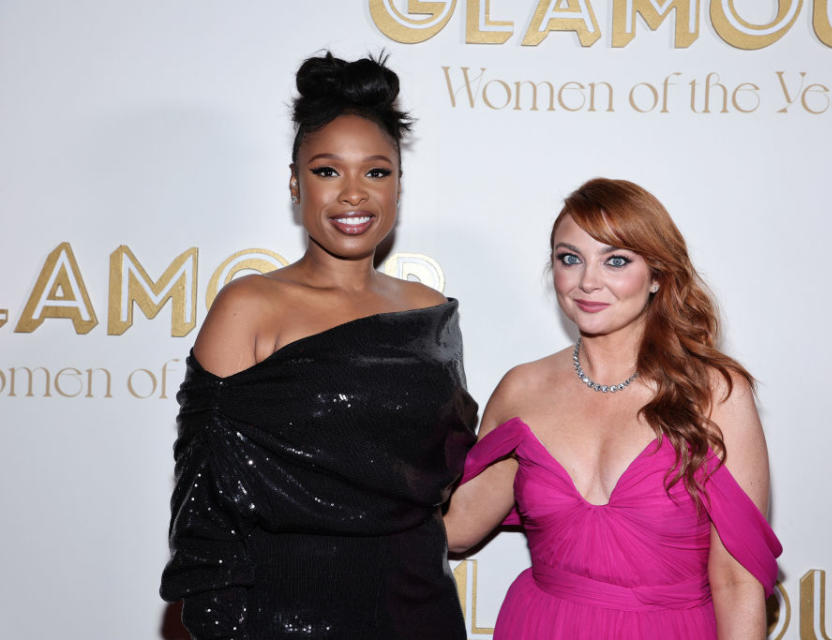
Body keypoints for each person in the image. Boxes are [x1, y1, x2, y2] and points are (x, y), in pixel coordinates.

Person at [159, 53, 477, 640]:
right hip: (277, 614)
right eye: (328, 171)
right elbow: (203, 500)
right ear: (294, 181)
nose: (353, 195)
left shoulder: (427, 309)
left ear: (400, 184)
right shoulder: (249, 306)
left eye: (376, 172)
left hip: (419, 609)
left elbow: (445, 479)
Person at [444, 178, 781, 639]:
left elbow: (737, 581)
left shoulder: (714, 394)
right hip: (542, 626)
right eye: (569, 259)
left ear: (659, 275)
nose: (587, 281)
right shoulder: (523, 388)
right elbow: (459, 526)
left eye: (616, 260)